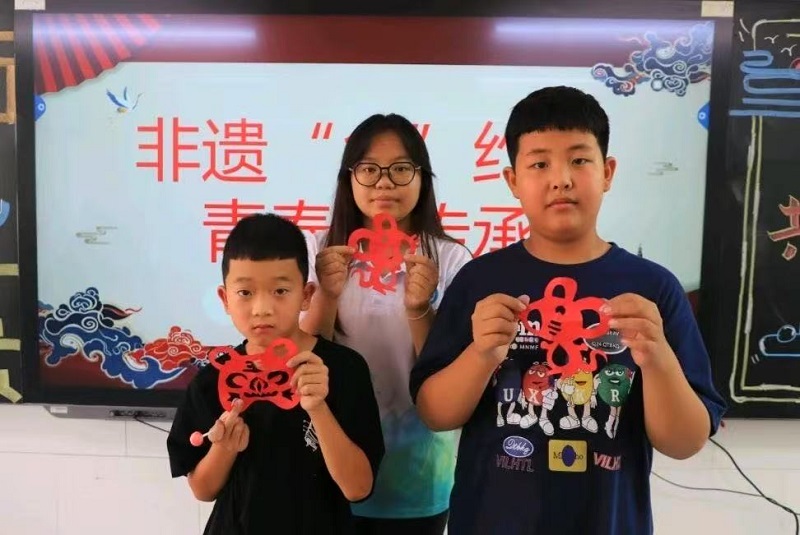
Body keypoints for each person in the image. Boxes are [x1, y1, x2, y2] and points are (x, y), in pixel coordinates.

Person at [409, 86, 727, 535]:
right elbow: (435, 414)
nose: (561, 179)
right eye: (540, 164)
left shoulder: (654, 289)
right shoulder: (479, 281)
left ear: (607, 172)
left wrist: (657, 358)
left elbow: (686, 441)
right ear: (512, 181)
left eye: (579, 160)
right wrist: (481, 354)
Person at [301, 113, 473, 534]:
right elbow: (299, 357)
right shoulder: (318, 251)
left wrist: (419, 308)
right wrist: (326, 295)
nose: (384, 183)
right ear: (349, 178)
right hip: (328, 467)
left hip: (419, 473)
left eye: (400, 169)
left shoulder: (450, 259)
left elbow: (453, 377)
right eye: (369, 169)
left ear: (422, 177)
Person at [167, 213, 385, 535]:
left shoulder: (343, 369)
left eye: (280, 291)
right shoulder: (213, 379)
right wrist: (225, 448)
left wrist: (318, 408)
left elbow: (358, 488)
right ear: (225, 299)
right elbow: (203, 490)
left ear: (306, 295)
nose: (262, 309)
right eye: (245, 293)